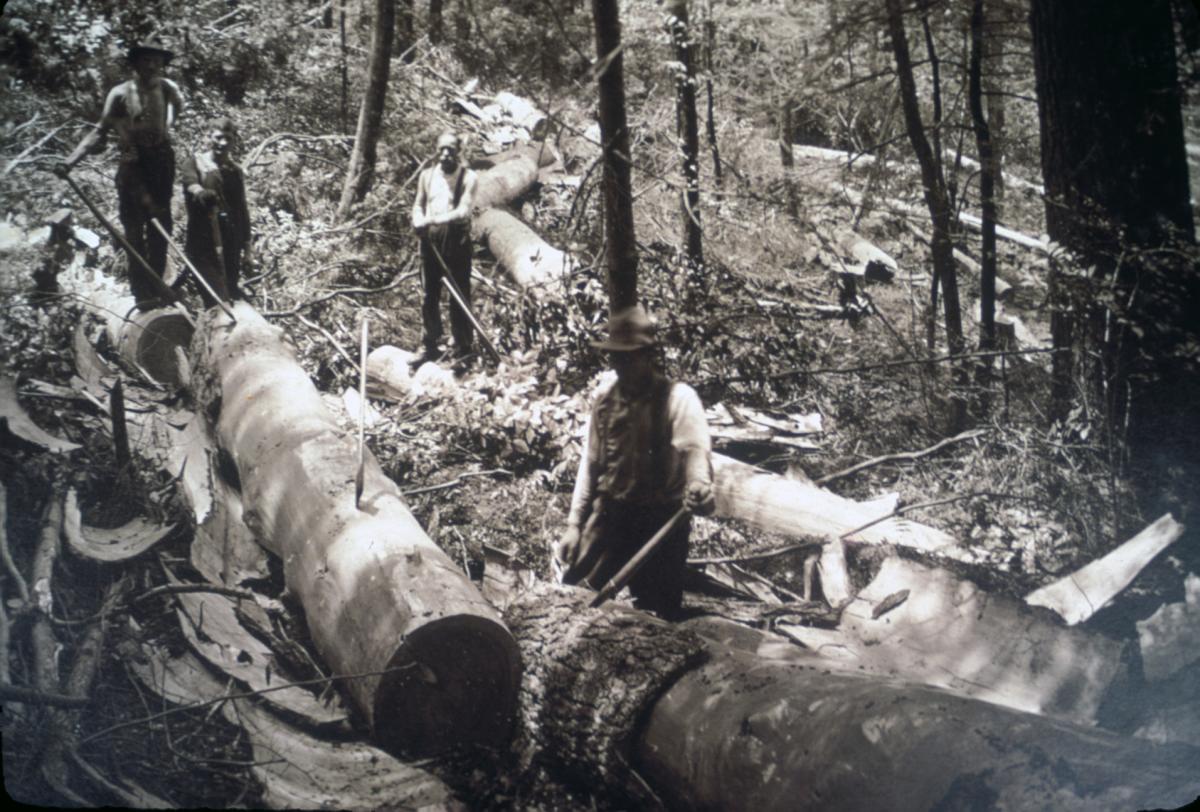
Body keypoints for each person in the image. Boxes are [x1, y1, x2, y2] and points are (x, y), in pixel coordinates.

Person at [553, 304, 715, 618]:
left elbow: (695, 451)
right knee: (573, 600)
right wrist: (574, 525)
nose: (622, 364)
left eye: (629, 356)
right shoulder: (605, 402)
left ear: (648, 354)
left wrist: (697, 484)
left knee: (658, 616)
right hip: (609, 517)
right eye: (616, 356)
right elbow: (590, 467)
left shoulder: (678, 398)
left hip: (660, 522)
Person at [57, 37, 184, 309]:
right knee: (134, 230)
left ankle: (158, 287)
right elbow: (99, 131)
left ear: (163, 64)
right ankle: (142, 294)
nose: (151, 65)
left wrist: (164, 132)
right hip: (133, 166)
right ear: (135, 63)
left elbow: (175, 113)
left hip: (161, 164)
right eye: (145, 60)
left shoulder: (168, 89)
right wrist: (70, 161)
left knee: (161, 228)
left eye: (156, 60)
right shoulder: (120, 94)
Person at [411, 132, 478, 366]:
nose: (446, 154)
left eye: (451, 149)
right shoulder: (427, 176)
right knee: (429, 294)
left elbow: (463, 211)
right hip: (430, 243)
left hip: (456, 243)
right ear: (436, 150)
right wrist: (417, 218)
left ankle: (463, 347)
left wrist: (431, 220)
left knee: (459, 294)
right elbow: (418, 204)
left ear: (459, 152)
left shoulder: (468, 177)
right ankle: (430, 343)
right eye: (442, 149)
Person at [180, 117, 252, 306]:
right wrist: (202, 193)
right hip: (202, 242)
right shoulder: (195, 163)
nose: (223, 143)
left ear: (234, 140)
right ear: (208, 137)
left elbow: (242, 210)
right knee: (216, 299)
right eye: (218, 137)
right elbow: (190, 183)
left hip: (230, 242)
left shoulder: (235, 171)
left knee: (231, 292)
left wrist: (247, 247)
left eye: (228, 138)